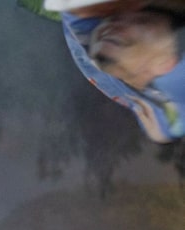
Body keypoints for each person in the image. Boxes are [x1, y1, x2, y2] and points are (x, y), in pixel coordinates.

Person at [56, 3, 185, 142]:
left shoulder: (174, 88)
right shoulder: (88, 19)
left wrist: (164, 134)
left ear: (165, 64)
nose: (116, 20)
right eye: (117, 14)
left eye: (142, 21)